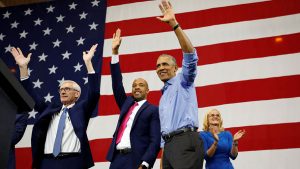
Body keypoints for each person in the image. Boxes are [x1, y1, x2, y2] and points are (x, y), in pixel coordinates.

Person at [10, 44, 101, 169]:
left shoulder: (82, 109)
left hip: (73, 162)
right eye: (61, 89)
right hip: (47, 162)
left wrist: (88, 63)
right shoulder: (49, 109)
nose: (63, 91)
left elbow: (94, 94)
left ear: (77, 94)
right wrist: (23, 68)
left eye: (67, 89)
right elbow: (31, 96)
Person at [155, 0, 204, 168]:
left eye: (165, 64)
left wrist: (174, 24)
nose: (161, 68)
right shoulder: (162, 97)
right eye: (158, 65)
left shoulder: (183, 80)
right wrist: (163, 159)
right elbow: (165, 132)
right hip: (169, 147)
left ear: (176, 68)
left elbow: (190, 55)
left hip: (185, 141)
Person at [106, 29, 161, 169]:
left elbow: (155, 140)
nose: (137, 87)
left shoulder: (153, 110)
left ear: (148, 90)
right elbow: (117, 83)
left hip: (135, 160)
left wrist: (145, 163)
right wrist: (114, 52)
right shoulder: (126, 104)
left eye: (141, 85)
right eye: (134, 85)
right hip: (117, 159)